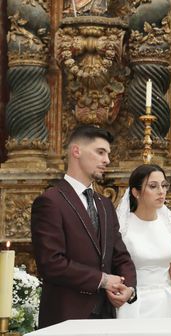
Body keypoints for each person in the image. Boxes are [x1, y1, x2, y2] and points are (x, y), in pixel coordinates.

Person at [31, 125, 136, 328]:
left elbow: (121, 256)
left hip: (106, 318)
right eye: (100, 152)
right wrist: (103, 280)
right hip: (65, 318)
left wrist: (129, 288)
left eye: (108, 154)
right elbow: (51, 263)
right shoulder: (50, 201)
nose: (107, 160)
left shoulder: (105, 204)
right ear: (76, 151)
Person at [116, 164, 171, 318]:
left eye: (164, 185)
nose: (161, 191)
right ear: (136, 192)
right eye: (153, 186)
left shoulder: (170, 226)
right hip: (134, 305)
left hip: (167, 305)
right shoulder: (123, 227)